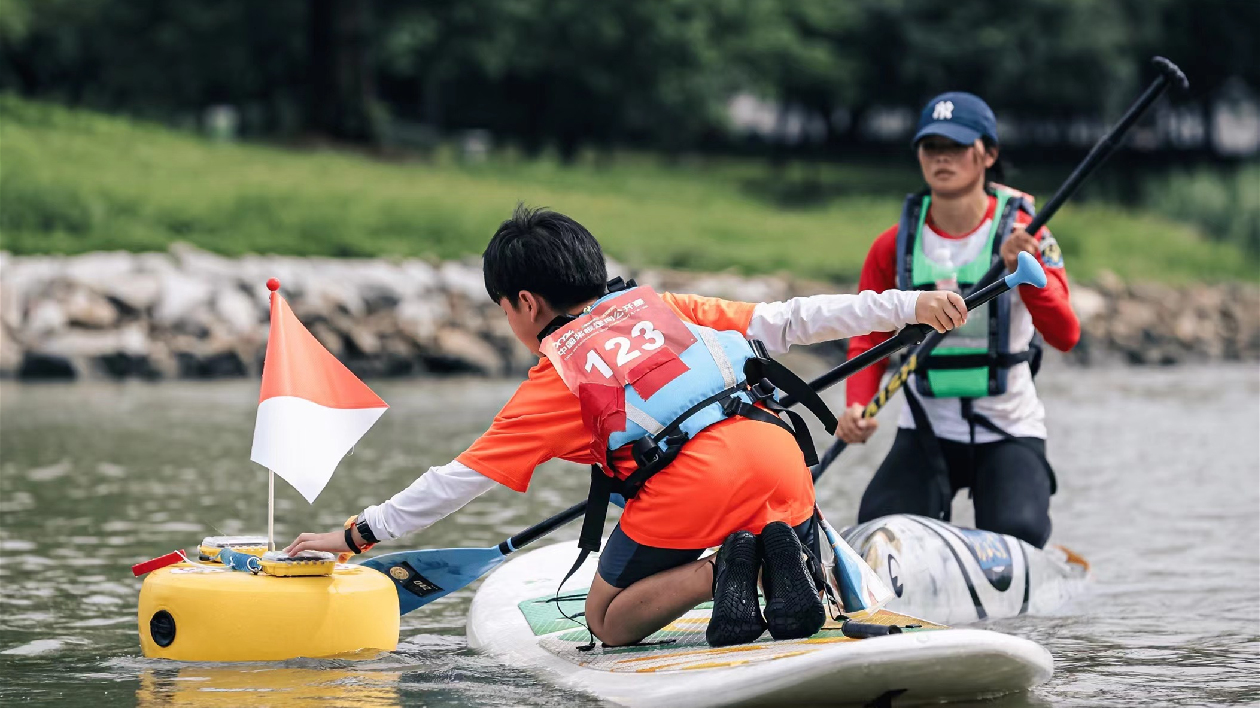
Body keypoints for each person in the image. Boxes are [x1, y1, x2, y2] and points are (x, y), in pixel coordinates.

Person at [286, 205, 967, 647]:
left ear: (525, 302)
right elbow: (792, 319)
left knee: (606, 622)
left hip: (697, 490)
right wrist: (911, 304)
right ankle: (792, 560)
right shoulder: (667, 306)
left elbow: (456, 481)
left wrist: (355, 535)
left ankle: (723, 573)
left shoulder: (557, 376)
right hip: (784, 461)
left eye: (505, 311)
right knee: (757, 496)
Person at [835, 92, 1080, 548]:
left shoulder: (1030, 236)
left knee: (1020, 531)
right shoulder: (892, 245)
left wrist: (1029, 275)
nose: (942, 157)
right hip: (926, 428)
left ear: (988, 154)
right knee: (876, 531)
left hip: (1008, 426)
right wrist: (856, 405)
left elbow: (1065, 335)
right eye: (931, 146)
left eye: (957, 145)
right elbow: (867, 335)